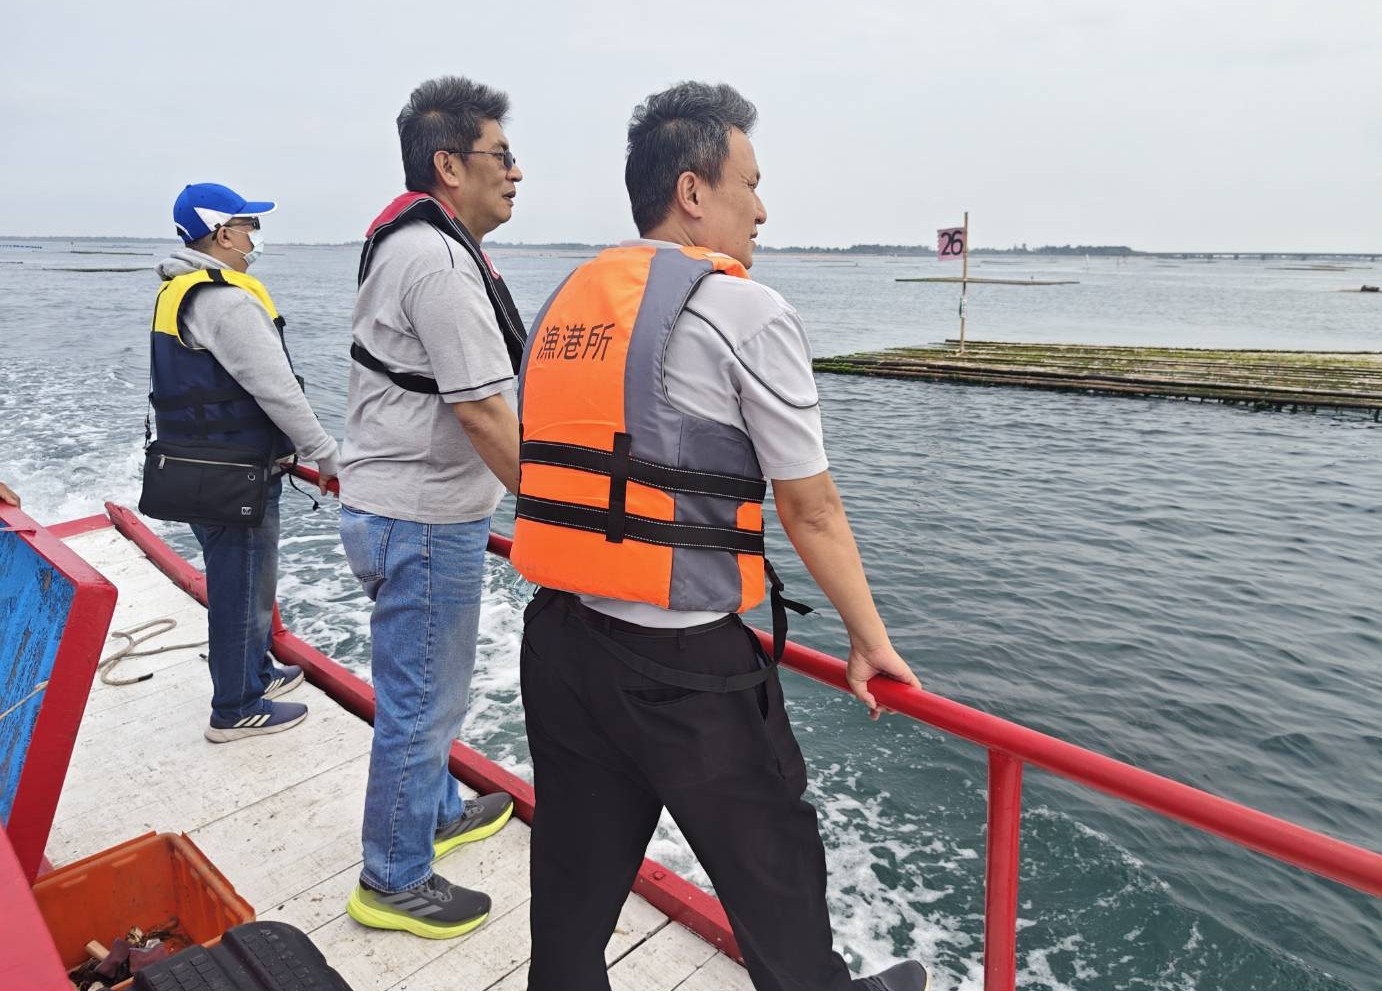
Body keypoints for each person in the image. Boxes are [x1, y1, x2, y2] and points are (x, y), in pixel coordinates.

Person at [511, 82, 930, 991]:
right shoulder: (747, 312)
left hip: (562, 644)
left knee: (572, 907)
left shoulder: (563, 308)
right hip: (685, 672)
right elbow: (810, 507)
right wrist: (870, 638)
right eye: (751, 181)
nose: (763, 208)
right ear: (693, 192)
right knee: (780, 892)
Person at [337, 75, 524, 940]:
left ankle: (434, 810)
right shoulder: (442, 263)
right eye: (501, 153)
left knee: (424, 689)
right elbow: (485, 409)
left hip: (392, 503)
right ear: (449, 164)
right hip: (420, 516)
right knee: (422, 700)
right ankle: (395, 875)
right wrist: (556, 510)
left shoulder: (412, 243)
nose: (516, 171)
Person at [152, 183, 339, 743]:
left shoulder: (176, 289)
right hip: (237, 471)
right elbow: (277, 390)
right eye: (249, 225)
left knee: (249, 581)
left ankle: (254, 672)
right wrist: (326, 454)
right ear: (223, 233)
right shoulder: (226, 300)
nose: (255, 237)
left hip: (200, 465)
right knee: (241, 585)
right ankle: (234, 707)